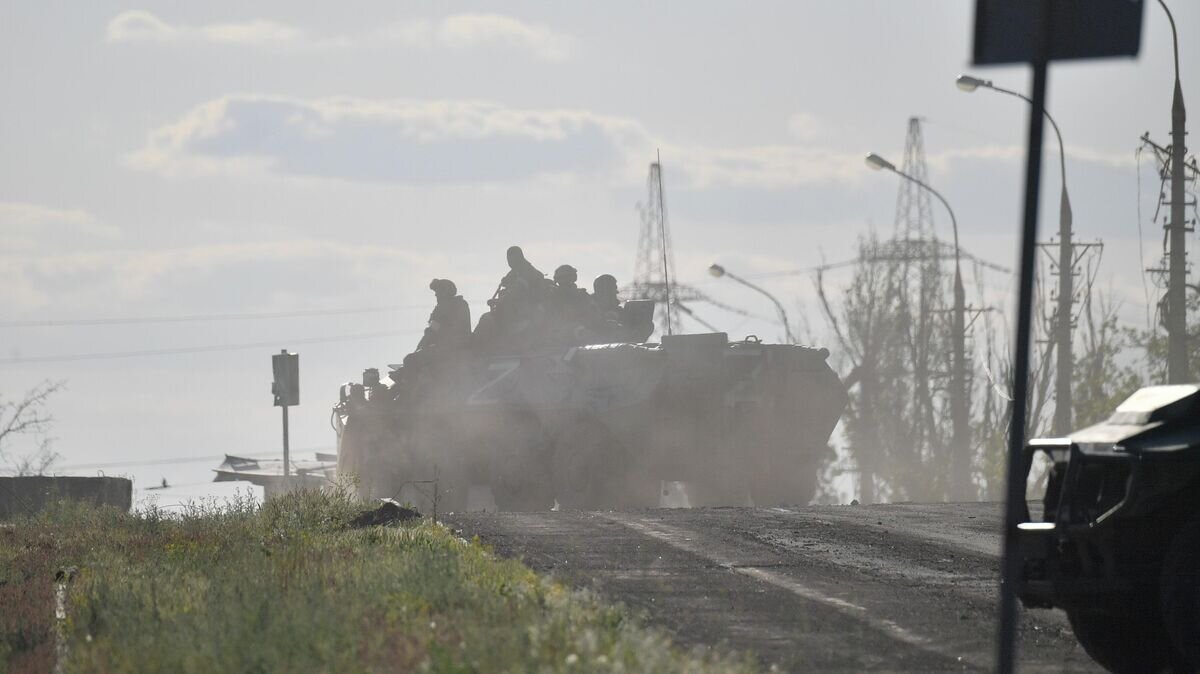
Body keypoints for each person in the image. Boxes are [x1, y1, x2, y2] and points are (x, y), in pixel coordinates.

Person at [417, 278, 471, 351]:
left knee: (412, 359)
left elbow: (456, 330)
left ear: (445, 292)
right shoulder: (440, 309)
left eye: (438, 291)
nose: (435, 295)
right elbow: (431, 331)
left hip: (455, 348)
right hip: (442, 346)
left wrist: (435, 328)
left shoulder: (459, 305)